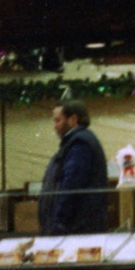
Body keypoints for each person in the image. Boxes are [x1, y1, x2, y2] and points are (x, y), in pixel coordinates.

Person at [41, 100, 110, 235]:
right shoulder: (79, 141)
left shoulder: (80, 144)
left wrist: (59, 222)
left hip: (76, 227)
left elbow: (71, 185)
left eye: (58, 121)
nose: (55, 126)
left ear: (72, 120)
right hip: (79, 225)